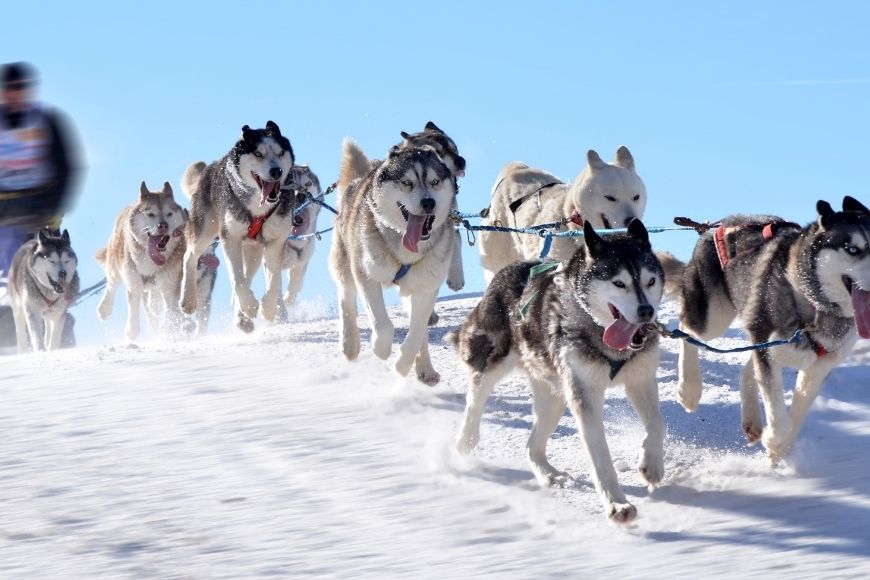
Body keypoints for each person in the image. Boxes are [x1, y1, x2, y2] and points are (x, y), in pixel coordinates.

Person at [0, 61, 81, 349]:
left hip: (40, 210)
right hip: (4, 213)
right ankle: (11, 326)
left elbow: (66, 166)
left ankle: (59, 322)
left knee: (47, 266)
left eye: (21, 89)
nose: (15, 94)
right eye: (10, 89)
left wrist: (52, 205)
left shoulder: (45, 122)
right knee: (10, 269)